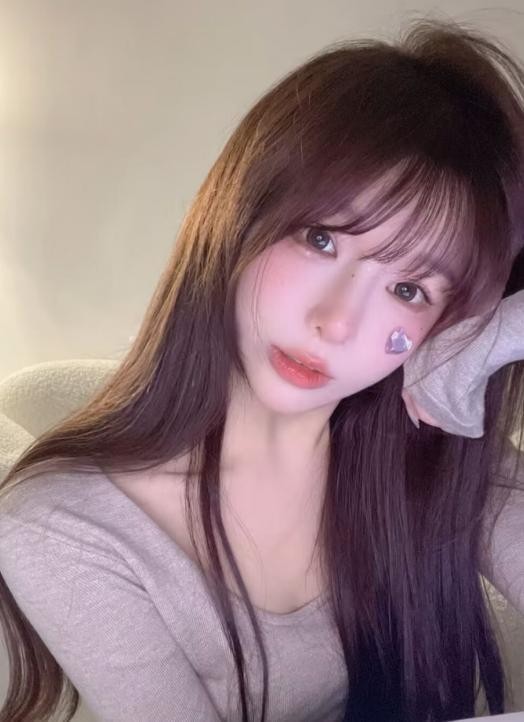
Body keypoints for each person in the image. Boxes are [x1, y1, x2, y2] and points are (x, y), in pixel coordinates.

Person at [0, 16, 523, 722]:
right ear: (238, 214)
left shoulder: (434, 463)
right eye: (320, 239)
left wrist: (489, 345)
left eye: (409, 289)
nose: (336, 322)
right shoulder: (61, 528)